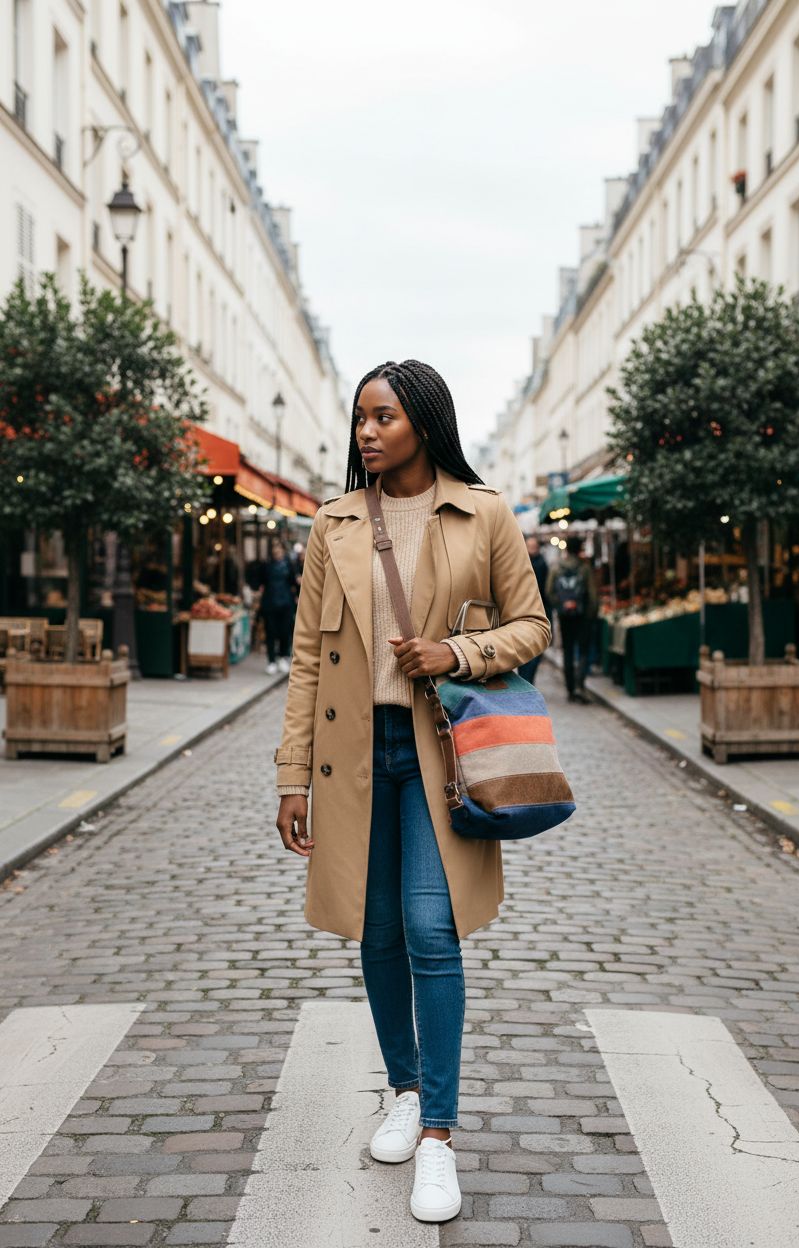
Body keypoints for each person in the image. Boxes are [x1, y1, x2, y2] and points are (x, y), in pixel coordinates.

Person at [274, 360, 550, 1224]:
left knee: (432, 928)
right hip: (354, 757)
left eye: (383, 416)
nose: (366, 431)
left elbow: (533, 623)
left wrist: (455, 655)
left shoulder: (484, 512)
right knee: (377, 927)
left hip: (441, 753)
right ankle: (401, 1088)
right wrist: (292, 776)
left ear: (423, 423)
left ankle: (438, 1133)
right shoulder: (333, 524)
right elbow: (308, 660)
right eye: (360, 417)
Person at [547, 534, 597, 704]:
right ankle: (579, 685)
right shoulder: (584, 568)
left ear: (567, 548)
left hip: (564, 616)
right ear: (580, 549)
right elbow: (593, 595)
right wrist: (590, 615)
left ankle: (569, 689)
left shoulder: (556, 568)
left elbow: (549, 591)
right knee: (582, 651)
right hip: (582, 616)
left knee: (567, 651)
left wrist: (561, 606)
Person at [260, 539, 297, 675]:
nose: (276, 551)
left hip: (286, 603)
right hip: (270, 603)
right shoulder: (266, 565)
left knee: (284, 631)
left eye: (279, 548)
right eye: (274, 549)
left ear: (283, 550)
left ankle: (283, 657)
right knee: (270, 632)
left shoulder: (289, 565)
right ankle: (271, 661)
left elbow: (294, 582)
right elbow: (260, 581)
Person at [517, 535, 550, 684]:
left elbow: (547, 591)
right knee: (525, 650)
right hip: (521, 613)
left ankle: (527, 681)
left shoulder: (541, 564)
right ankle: (526, 681)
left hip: (537, 611)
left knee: (534, 651)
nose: (531, 549)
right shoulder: (520, 562)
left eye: (533, 547)